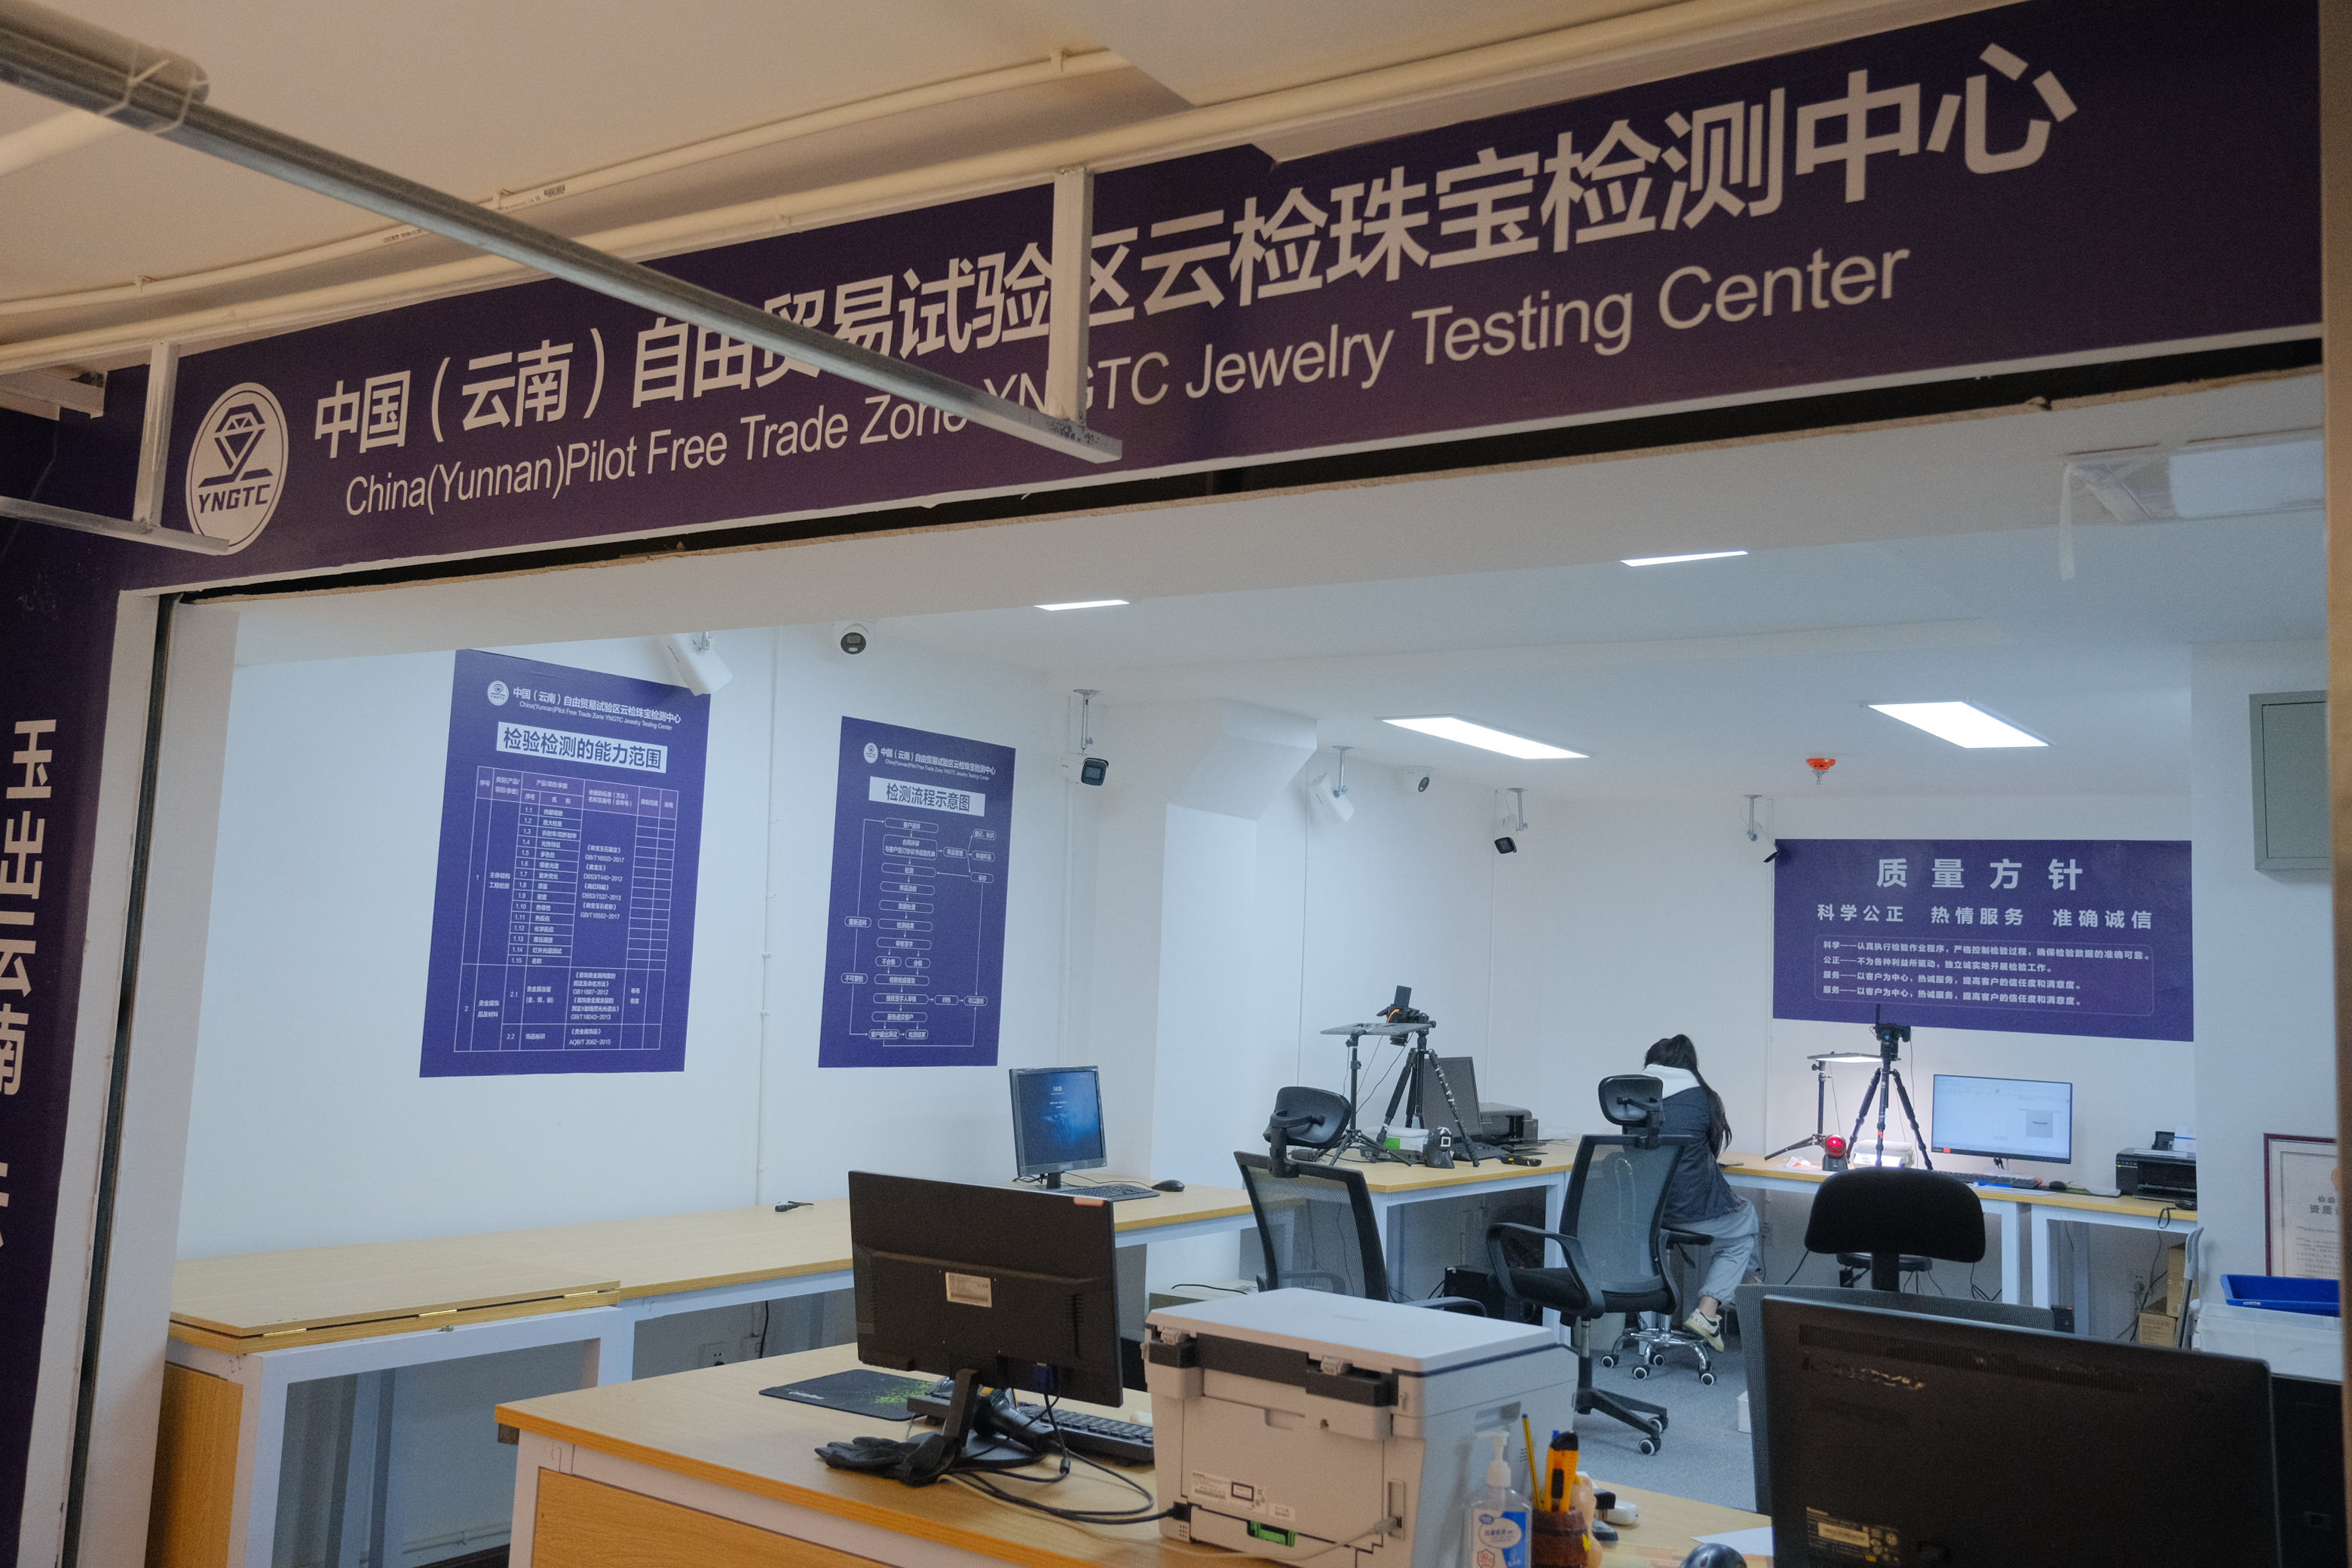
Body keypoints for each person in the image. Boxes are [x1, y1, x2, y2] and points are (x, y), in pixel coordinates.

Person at [1640, 1034, 1759, 1351]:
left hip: (1645, 1213)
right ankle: (1713, 1308)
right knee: (1746, 1222)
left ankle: (1745, 1286)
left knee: (1739, 1223)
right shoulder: (1704, 1099)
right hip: (1689, 1211)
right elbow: (1712, 1151)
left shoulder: (1632, 1097)